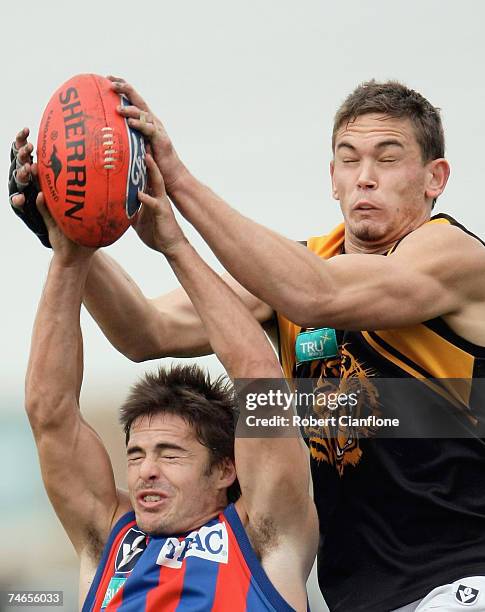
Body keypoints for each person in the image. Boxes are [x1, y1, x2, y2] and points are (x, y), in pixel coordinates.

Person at [10, 79, 485, 611]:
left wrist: (179, 184)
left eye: (388, 158)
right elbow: (145, 331)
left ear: (434, 179)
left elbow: (316, 296)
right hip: (361, 593)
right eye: (349, 160)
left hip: (464, 574)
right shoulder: (297, 267)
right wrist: (71, 237)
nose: (365, 178)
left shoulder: (454, 256)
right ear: (332, 178)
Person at [21, 153, 317, 611]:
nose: (146, 471)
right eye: (136, 455)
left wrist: (174, 245)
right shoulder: (108, 538)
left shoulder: (263, 533)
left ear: (225, 470)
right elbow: (50, 413)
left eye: (170, 454)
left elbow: (259, 379)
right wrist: (67, 254)